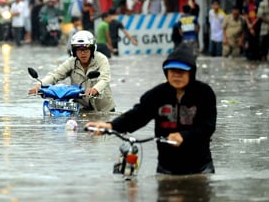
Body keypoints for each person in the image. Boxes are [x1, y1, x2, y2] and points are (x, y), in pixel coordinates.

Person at [85, 43, 216, 175]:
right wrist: (110, 126)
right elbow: (138, 116)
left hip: (200, 167)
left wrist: (184, 136)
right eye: (172, 71)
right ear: (166, 72)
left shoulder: (204, 93)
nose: (176, 75)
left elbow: (208, 127)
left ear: (191, 73)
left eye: (181, 72)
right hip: (167, 167)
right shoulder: (158, 94)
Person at [28, 30, 115, 112]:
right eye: (79, 50)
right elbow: (55, 75)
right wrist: (39, 85)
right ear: (74, 51)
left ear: (92, 50)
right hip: (82, 108)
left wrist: (94, 89)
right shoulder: (71, 62)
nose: (82, 53)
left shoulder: (101, 59)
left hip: (103, 108)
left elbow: (104, 78)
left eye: (85, 49)